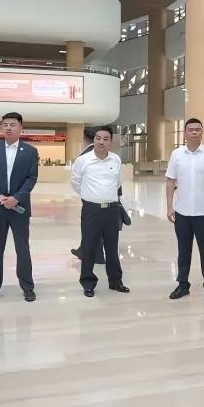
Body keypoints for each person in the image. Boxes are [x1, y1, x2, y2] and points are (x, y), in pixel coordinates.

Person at [0, 112, 39, 303]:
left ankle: (27, 287)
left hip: (19, 208)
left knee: (22, 248)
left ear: (21, 127)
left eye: (12, 124)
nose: (8, 128)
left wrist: (16, 198)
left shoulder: (30, 151)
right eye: (5, 124)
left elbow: (31, 178)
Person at [166, 118, 204, 302]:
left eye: (198, 129)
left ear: (202, 132)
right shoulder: (176, 154)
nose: (194, 132)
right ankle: (183, 284)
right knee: (183, 250)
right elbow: (170, 181)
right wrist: (169, 206)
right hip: (182, 212)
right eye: (190, 129)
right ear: (184, 133)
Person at [70, 126, 130, 297]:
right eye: (98, 138)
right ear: (94, 140)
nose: (101, 142)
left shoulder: (115, 159)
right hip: (91, 210)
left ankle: (116, 282)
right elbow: (75, 183)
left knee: (112, 247)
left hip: (111, 210)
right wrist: (90, 197)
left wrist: (106, 196)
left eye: (105, 139)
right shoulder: (83, 160)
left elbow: (117, 182)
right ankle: (88, 283)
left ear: (110, 142)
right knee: (89, 247)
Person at [71, 128, 105, 264]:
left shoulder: (87, 154)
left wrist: (86, 193)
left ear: (85, 138)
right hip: (101, 196)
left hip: (93, 198)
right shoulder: (103, 153)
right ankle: (83, 250)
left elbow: (76, 180)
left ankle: (97, 256)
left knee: (93, 225)